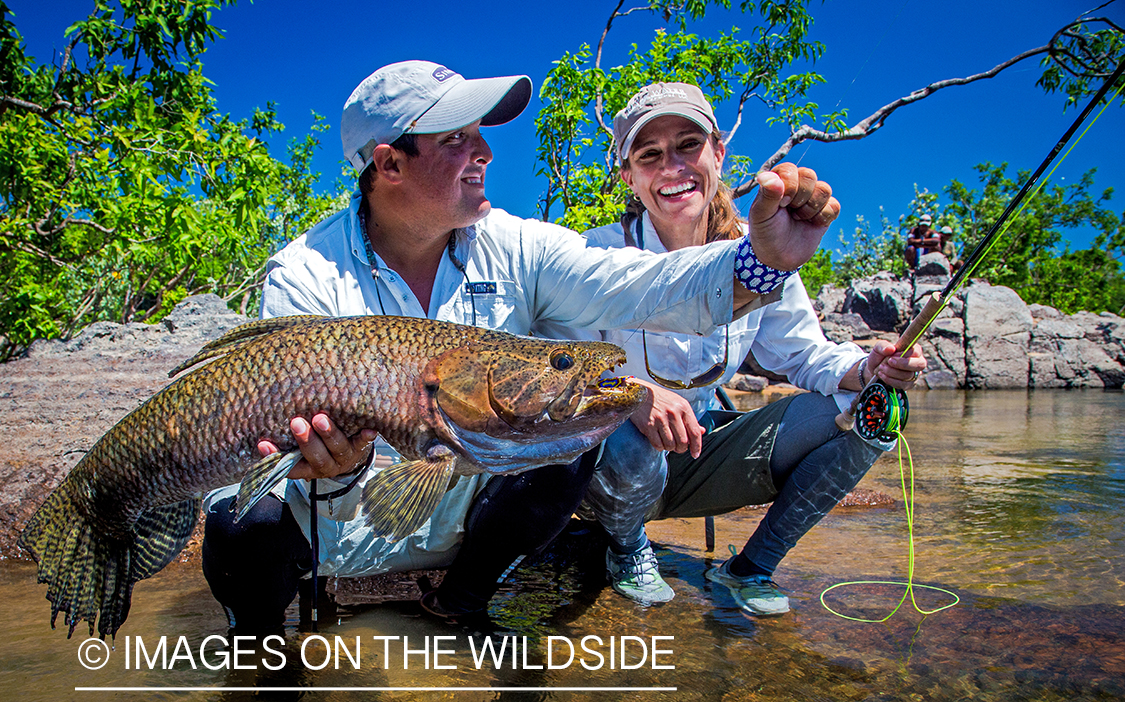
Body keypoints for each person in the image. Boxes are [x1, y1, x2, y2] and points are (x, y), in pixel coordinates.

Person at [200, 62, 841, 632]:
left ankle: (464, 598)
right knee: (239, 519)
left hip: (461, 500)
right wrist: (335, 463)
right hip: (342, 520)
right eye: (456, 139)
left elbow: (635, 284)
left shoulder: (516, 243)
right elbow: (293, 453)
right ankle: (263, 660)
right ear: (389, 164)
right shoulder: (306, 273)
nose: (483, 151)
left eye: (480, 133)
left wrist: (761, 263)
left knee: (573, 430)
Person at [560, 82, 925, 613]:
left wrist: (866, 367)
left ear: (718, 153)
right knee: (623, 426)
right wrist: (634, 394)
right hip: (608, 466)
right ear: (629, 176)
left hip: (699, 450)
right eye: (649, 155)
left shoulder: (762, 255)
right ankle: (626, 548)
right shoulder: (593, 252)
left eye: (688, 145)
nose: (672, 168)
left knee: (869, 409)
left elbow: (804, 356)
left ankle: (751, 567)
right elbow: (562, 376)